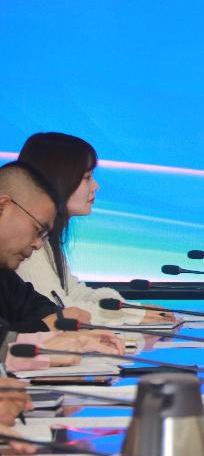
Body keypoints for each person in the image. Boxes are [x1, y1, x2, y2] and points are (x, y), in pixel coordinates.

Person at [16, 133, 172, 326]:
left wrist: (128, 308)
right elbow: (57, 308)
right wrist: (130, 315)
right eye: (87, 177)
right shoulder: (26, 243)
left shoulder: (46, 237)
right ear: (58, 179)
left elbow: (73, 292)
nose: (95, 186)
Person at [0, 161, 123, 352]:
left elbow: (40, 309)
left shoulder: (4, 273)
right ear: (3, 207)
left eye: (44, 235)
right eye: (38, 229)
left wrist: (67, 327)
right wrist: (46, 327)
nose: (38, 244)